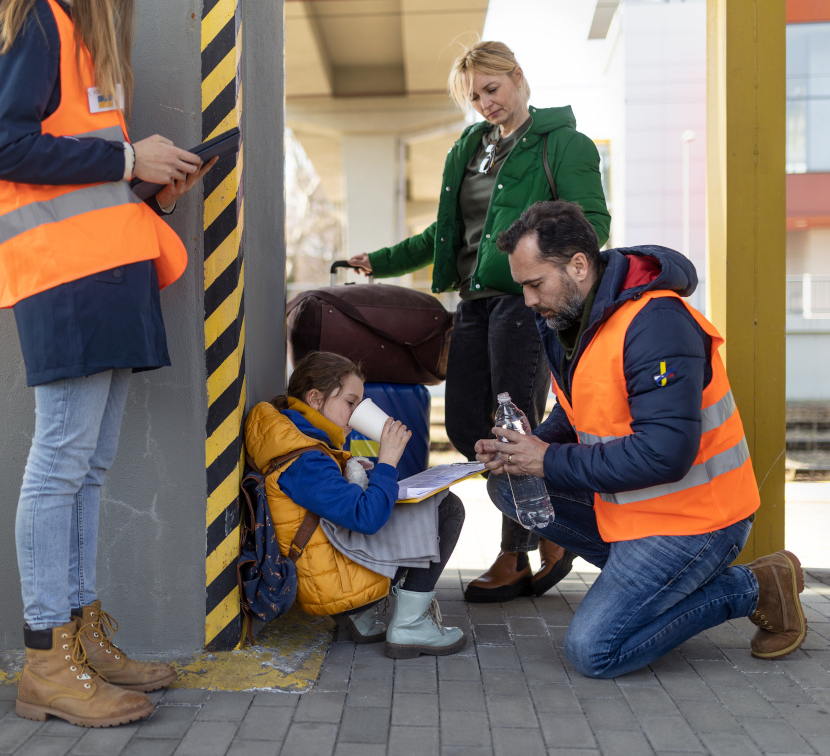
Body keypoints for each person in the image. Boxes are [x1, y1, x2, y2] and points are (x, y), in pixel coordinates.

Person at [0, 0, 216, 727]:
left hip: (97, 272)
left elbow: (73, 171)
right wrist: (131, 158)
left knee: (87, 464)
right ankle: (47, 658)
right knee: (61, 462)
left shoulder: (69, 27)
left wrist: (144, 184)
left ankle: (78, 637)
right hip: (64, 278)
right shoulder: (35, 18)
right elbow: (3, 146)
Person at [476, 201, 807, 678]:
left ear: (579, 265)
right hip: (637, 507)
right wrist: (522, 448)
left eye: (534, 284)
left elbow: (665, 454)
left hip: (699, 519)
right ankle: (652, 585)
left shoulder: (657, 322)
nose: (528, 300)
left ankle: (756, 586)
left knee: (594, 651)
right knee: (507, 483)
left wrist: (546, 460)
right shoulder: (568, 318)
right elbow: (575, 413)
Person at [347, 40, 610, 603]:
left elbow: (593, 223)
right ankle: (549, 529)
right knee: (469, 428)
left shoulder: (563, 144)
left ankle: (516, 552)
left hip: (525, 297)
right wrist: (382, 261)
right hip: (474, 301)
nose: (484, 103)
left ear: (517, 76)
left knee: (512, 424)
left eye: (491, 89)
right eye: (474, 96)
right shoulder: (470, 147)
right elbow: (444, 236)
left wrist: (546, 272)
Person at [244, 352, 467, 659]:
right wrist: (387, 461)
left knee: (415, 502)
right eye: (350, 402)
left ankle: (360, 618)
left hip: (330, 572)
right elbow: (365, 518)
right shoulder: (305, 459)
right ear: (315, 398)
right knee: (447, 507)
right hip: (335, 588)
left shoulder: (294, 438)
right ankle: (410, 626)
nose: (355, 414)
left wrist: (352, 467)